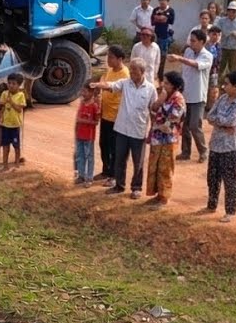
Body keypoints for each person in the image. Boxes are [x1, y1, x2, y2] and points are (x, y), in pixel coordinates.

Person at [91, 57, 156, 199]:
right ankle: (119, 185)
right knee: (119, 159)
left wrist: (153, 128)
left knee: (138, 161)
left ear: (142, 72)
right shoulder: (125, 84)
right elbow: (111, 85)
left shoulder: (150, 89)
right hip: (121, 129)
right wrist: (98, 85)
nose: (131, 73)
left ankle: (136, 187)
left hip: (138, 131)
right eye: (131, 69)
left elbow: (153, 110)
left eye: (134, 71)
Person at [205, 71, 236, 222]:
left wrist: (221, 123)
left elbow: (231, 121)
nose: (224, 86)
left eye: (227, 84)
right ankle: (211, 204)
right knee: (212, 177)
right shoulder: (223, 98)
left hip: (232, 147)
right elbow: (210, 116)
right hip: (216, 144)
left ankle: (230, 211)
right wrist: (223, 124)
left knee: (230, 180)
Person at [145, 71, 186, 206]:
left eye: (167, 83)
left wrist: (158, 126)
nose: (164, 85)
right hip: (157, 137)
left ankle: (164, 197)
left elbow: (172, 121)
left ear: (174, 86)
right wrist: (160, 100)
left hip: (169, 139)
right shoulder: (164, 96)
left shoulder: (178, 99)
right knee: (155, 166)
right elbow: (153, 108)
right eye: (164, 82)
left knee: (166, 168)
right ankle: (157, 194)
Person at [171, 28, 212, 162]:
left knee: (195, 125)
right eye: (191, 40)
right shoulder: (188, 51)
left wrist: (179, 58)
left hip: (198, 96)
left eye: (194, 41)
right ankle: (186, 152)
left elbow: (195, 65)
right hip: (186, 94)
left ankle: (203, 151)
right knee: (185, 126)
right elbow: (185, 70)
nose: (191, 43)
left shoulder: (207, 55)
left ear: (202, 42)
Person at [0, 72, 27, 170]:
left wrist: (11, 102)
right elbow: (0, 107)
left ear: (19, 85)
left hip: (15, 125)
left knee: (16, 146)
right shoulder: (4, 94)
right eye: (9, 83)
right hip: (5, 124)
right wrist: (2, 104)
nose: (11, 85)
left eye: (14, 83)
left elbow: (19, 109)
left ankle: (17, 163)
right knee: (5, 146)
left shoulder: (21, 95)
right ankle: (5, 165)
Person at [73, 84, 100, 187]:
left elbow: (96, 122)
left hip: (89, 135)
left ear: (91, 93)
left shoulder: (94, 106)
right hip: (80, 134)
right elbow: (78, 118)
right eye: (82, 91)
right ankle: (81, 175)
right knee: (80, 155)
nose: (83, 94)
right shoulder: (82, 103)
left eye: (85, 92)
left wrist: (83, 121)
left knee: (89, 156)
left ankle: (89, 178)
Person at [215, 1, 236, 79]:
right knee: (221, 65)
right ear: (228, 11)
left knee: (232, 66)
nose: (232, 13)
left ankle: (231, 82)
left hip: (234, 47)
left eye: (234, 12)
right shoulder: (222, 20)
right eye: (230, 11)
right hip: (223, 46)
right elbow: (216, 29)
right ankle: (219, 81)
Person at [150, 0, 175, 75]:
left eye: (164, 0)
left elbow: (169, 21)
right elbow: (154, 20)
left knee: (162, 57)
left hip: (165, 37)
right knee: (152, 55)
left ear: (168, 1)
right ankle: (152, 73)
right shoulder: (155, 10)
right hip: (155, 36)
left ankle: (160, 76)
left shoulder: (171, 11)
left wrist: (160, 18)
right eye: (160, 0)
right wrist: (161, 18)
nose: (162, 2)